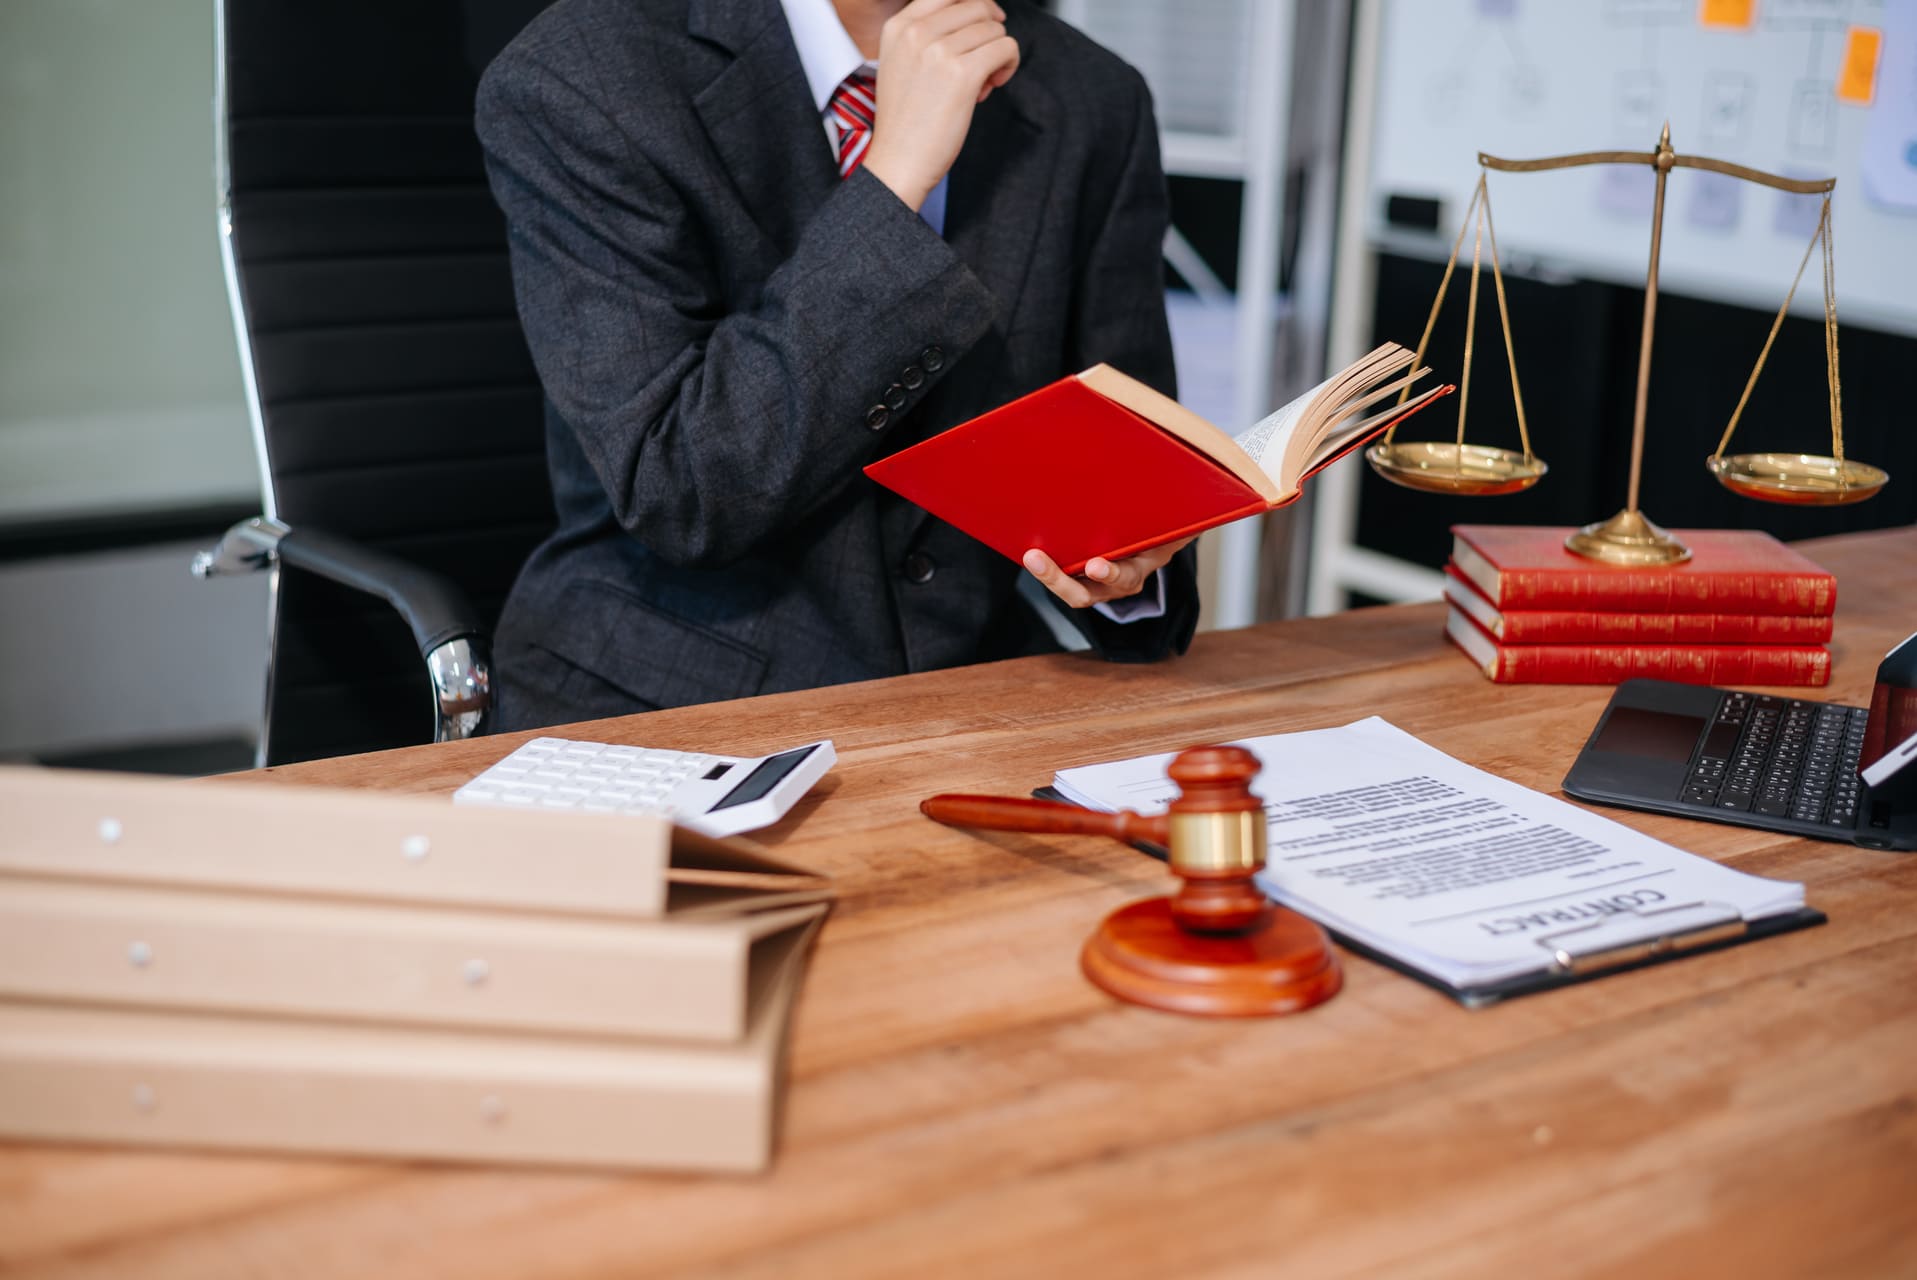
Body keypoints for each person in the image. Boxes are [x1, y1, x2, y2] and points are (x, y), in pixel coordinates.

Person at [476, 0, 1200, 729]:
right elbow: (683, 489)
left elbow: (1122, 433)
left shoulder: (1091, 94)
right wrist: (896, 178)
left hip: (976, 695)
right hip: (667, 697)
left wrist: (1132, 563)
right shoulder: (581, 77)